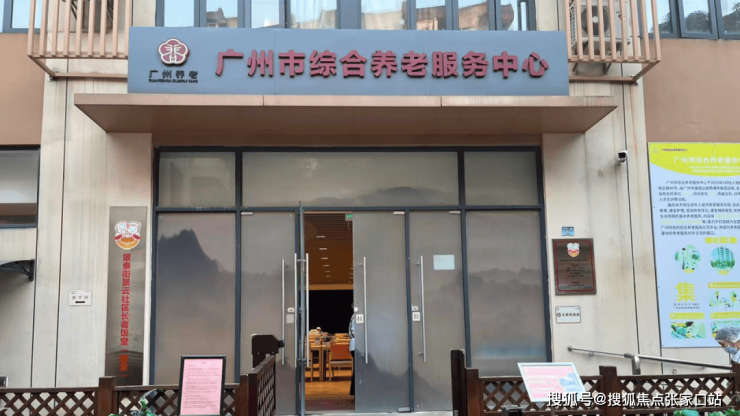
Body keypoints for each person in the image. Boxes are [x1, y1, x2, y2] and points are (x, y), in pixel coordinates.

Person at [349, 303, 356, 399]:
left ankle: (355, 392)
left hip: (354, 345)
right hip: (356, 345)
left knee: (357, 370)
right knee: (358, 370)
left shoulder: (354, 316)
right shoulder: (356, 317)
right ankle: (356, 392)